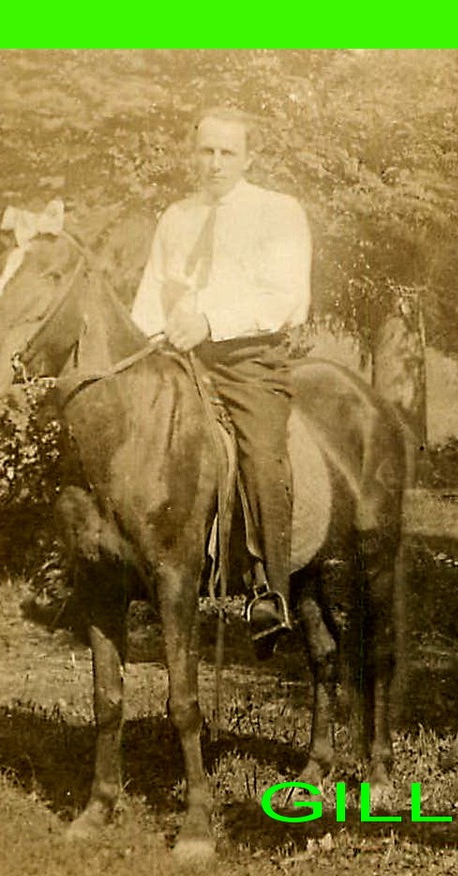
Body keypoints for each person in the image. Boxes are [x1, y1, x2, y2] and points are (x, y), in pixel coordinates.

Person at [130, 107, 312, 646]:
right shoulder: (175, 217)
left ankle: (268, 589)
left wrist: (210, 321)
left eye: (227, 152)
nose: (214, 163)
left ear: (249, 158)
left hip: (247, 360)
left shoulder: (278, 213)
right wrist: (145, 342)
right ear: (193, 153)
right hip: (176, 356)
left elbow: (286, 298)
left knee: (259, 451)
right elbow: (148, 296)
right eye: (205, 151)